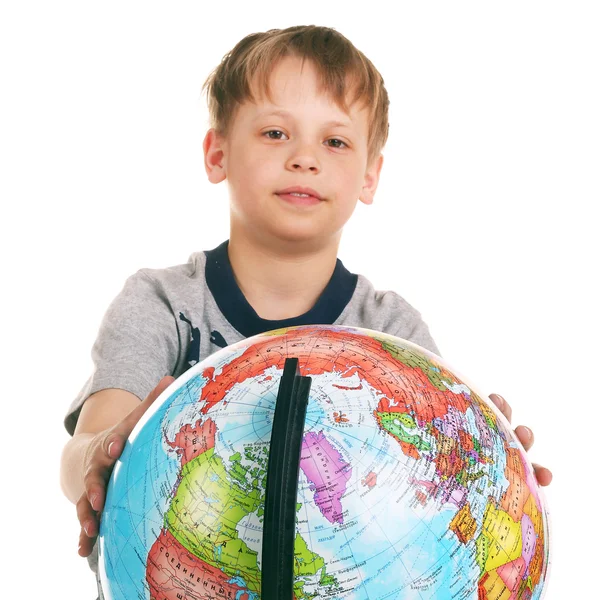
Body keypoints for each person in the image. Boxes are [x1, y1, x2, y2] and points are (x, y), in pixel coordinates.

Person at [59, 24, 552, 596]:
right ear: (216, 152)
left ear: (370, 175)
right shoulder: (160, 305)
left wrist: (485, 467)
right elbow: (86, 448)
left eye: (335, 142)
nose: (304, 158)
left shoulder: (392, 333)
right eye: (275, 132)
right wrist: (99, 459)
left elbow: (428, 500)